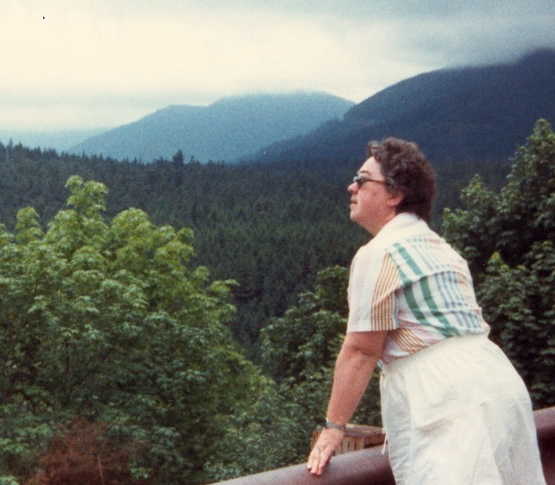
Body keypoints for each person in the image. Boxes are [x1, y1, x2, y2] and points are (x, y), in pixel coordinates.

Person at [307, 137, 546, 484]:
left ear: (394, 194)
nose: (351, 187)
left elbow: (361, 350)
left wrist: (333, 429)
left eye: (362, 179)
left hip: (447, 397)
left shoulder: (380, 253)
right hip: (499, 384)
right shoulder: (442, 249)